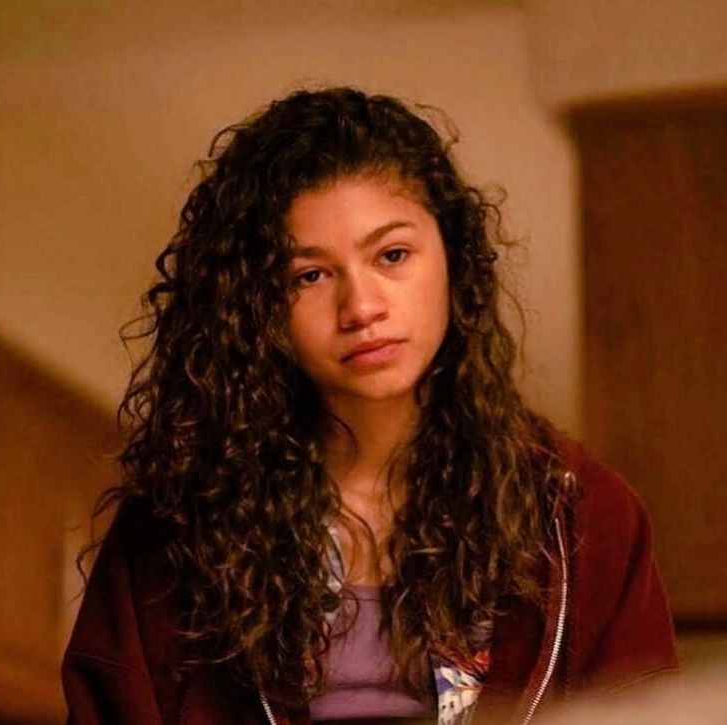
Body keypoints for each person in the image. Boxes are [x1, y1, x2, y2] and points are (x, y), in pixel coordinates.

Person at [62, 87, 679, 725]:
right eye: (309, 275)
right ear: (255, 307)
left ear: (453, 257)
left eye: (392, 255)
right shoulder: (171, 533)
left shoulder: (580, 515)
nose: (361, 308)